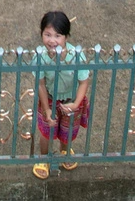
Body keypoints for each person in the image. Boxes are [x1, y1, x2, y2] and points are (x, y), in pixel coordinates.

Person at [31, 11, 91, 175]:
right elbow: (41, 85)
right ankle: (44, 158)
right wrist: (47, 109)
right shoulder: (40, 57)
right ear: (41, 34)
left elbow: (83, 82)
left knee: (68, 130)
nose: (52, 40)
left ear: (66, 36)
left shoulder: (76, 56)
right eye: (47, 34)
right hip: (49, 99)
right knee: (46, 132)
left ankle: (65, 152)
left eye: (57, 35)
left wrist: (76, 104)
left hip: (71, 100)